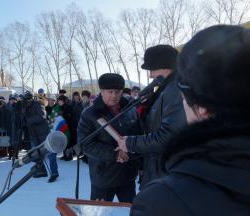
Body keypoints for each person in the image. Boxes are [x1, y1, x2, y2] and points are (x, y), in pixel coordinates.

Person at [130, 25, 250, 216]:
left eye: (185, 99)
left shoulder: (162, 202)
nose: (150, 75)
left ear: (202, 109)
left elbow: (165, 135)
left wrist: (129, 143)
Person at [116, 44, 186, 188]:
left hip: (166, 175)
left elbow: (168, 136)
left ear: (166, 66)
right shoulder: (165, 89)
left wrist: (130, 143)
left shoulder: (175, 91)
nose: (150, 75)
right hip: (157, 169)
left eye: (152, 69)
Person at [77, 73, 142, 203]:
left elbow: (139, 136)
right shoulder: (90, 114)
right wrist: (115, 154)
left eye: (117, 92)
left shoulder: (130, 109)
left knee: (134, 210)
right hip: (103, 177)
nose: (114, 95)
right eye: (109, 91)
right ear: (101, 91)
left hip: (127, 174)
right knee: (98, 212)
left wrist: (138, 160)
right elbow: (85, 144)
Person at [22, 91, 50, 178]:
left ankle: (45, 171)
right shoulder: (28, 106)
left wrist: (29, 120)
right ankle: (40, 168)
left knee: (43, 152)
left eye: (26, 100)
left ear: (30, 98)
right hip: (33, 133)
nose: (25, 102)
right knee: (36, 152)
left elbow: (42, 115)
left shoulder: (38, 104)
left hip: (42, 132)